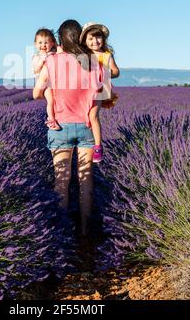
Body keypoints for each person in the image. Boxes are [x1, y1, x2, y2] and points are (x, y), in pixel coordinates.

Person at [33, 19, 102, 236]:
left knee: (61, 181)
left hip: (59, 128)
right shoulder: (93, 61)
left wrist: (49, 91)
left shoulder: (51, 62)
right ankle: (84, 231)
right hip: (87, 127)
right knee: (85, 181)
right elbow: (101, 99)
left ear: (59, 39)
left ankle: (61, 233)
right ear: (80, 37)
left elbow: (36, 93)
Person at [80, 22, 120, 163]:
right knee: (85, 116)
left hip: (100, 89)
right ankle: (86, 140)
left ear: (103, 39)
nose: (94, 41)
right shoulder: (84, 55)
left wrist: (106, 73)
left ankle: (98, 146)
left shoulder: (106, 55)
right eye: (90, 39)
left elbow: (116, 71)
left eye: (97, 38)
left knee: (93, 115)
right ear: (84, 41)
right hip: (86, 90)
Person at [32, 28, 61, 130]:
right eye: (40, 42)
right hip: (44, 84)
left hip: (53, 82)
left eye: (46, 42)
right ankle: (51, 120)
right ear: (35, 44)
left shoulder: (53, 54)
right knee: (51, 100)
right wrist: (41, 61)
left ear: (52, 43)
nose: (43, 45)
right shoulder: (36, 57)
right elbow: (35, 70)